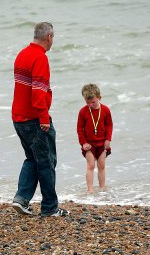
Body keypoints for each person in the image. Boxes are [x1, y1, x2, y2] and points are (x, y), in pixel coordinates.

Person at [11, 22, 69, 217]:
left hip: (18, 117)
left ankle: (21, 199)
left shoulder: (22, 54)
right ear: (49, 37)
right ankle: (50, 208)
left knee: (32, 158)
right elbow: (37, 93)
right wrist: (44, 118)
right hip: (35, 119)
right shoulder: (40, 58)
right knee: (46, 161)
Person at [77, 84, 113, 193]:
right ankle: (90, 190)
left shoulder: (105, 110)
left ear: (99, 98)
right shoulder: (83, 111)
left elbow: (109, 125)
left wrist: (108, 139)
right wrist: (83, 143)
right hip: (89, 144)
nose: (90, 105)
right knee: (91, 165)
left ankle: (102, 188)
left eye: (93, 102)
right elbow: (79, 129)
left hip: (102, 143)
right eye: (87, 103)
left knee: (101, 165)